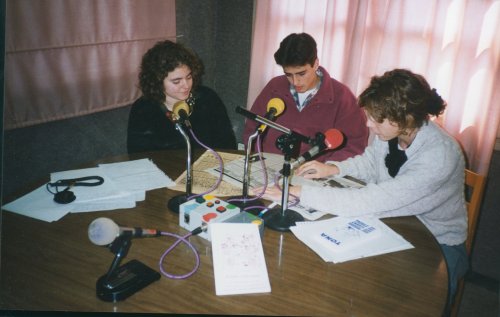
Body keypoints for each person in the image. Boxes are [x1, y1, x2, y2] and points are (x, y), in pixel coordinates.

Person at [258, 68, 468, 310]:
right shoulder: (392, 132)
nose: (368, 125)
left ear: (404, 118)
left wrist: (298, 192)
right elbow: (370, 162)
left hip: (437, 243)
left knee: (404, 306)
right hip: (397, 222)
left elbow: (375, 199)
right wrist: (334, 169)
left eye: (375, 119)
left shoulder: (439, 155)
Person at [242, 33, 368, 162]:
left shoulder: (341, 96)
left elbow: (355, 145)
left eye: (301, 74)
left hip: (315, 175)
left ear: (315, 63)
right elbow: (252, 129)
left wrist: (329, 168)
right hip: (267, 169)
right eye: (288, 75)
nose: (295, 82)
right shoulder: (274, 87)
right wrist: (258, 161)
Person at [127, 40, 237, 153]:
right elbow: (138, 155)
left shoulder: (207, 98)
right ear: (157, 81)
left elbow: (228, 144)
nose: (186, 85)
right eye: (176, 81)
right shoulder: (143, 109)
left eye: (189, 77)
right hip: (164, 170)